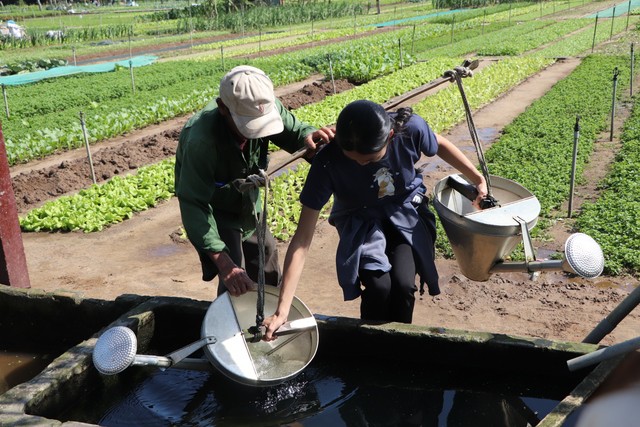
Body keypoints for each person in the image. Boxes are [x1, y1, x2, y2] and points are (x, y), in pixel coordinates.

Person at [263, 100, 487, 338]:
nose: (361, 164)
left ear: (390, 136)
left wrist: (477, 178)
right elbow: (302, 238)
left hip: (405, 210)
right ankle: (372, 345)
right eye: (353, 159)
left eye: (369, 160)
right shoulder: (328, 160)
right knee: (379, 287)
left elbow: (438, 143)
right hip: (361, 220)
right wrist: (282, 310)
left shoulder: (410, 130)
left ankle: (399, 345)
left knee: (403, 285)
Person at [174, 65, 334, 297]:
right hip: (218, 204)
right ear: (223, 108)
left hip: (248, 199)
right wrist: (224, 264)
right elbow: (193, 204)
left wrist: (308, 137)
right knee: (234, 270)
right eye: (249, 126)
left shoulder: (263, 105)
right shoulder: (201, 141)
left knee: (266, 253)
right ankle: (231, 324)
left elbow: (295, 132)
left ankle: (271, 315)